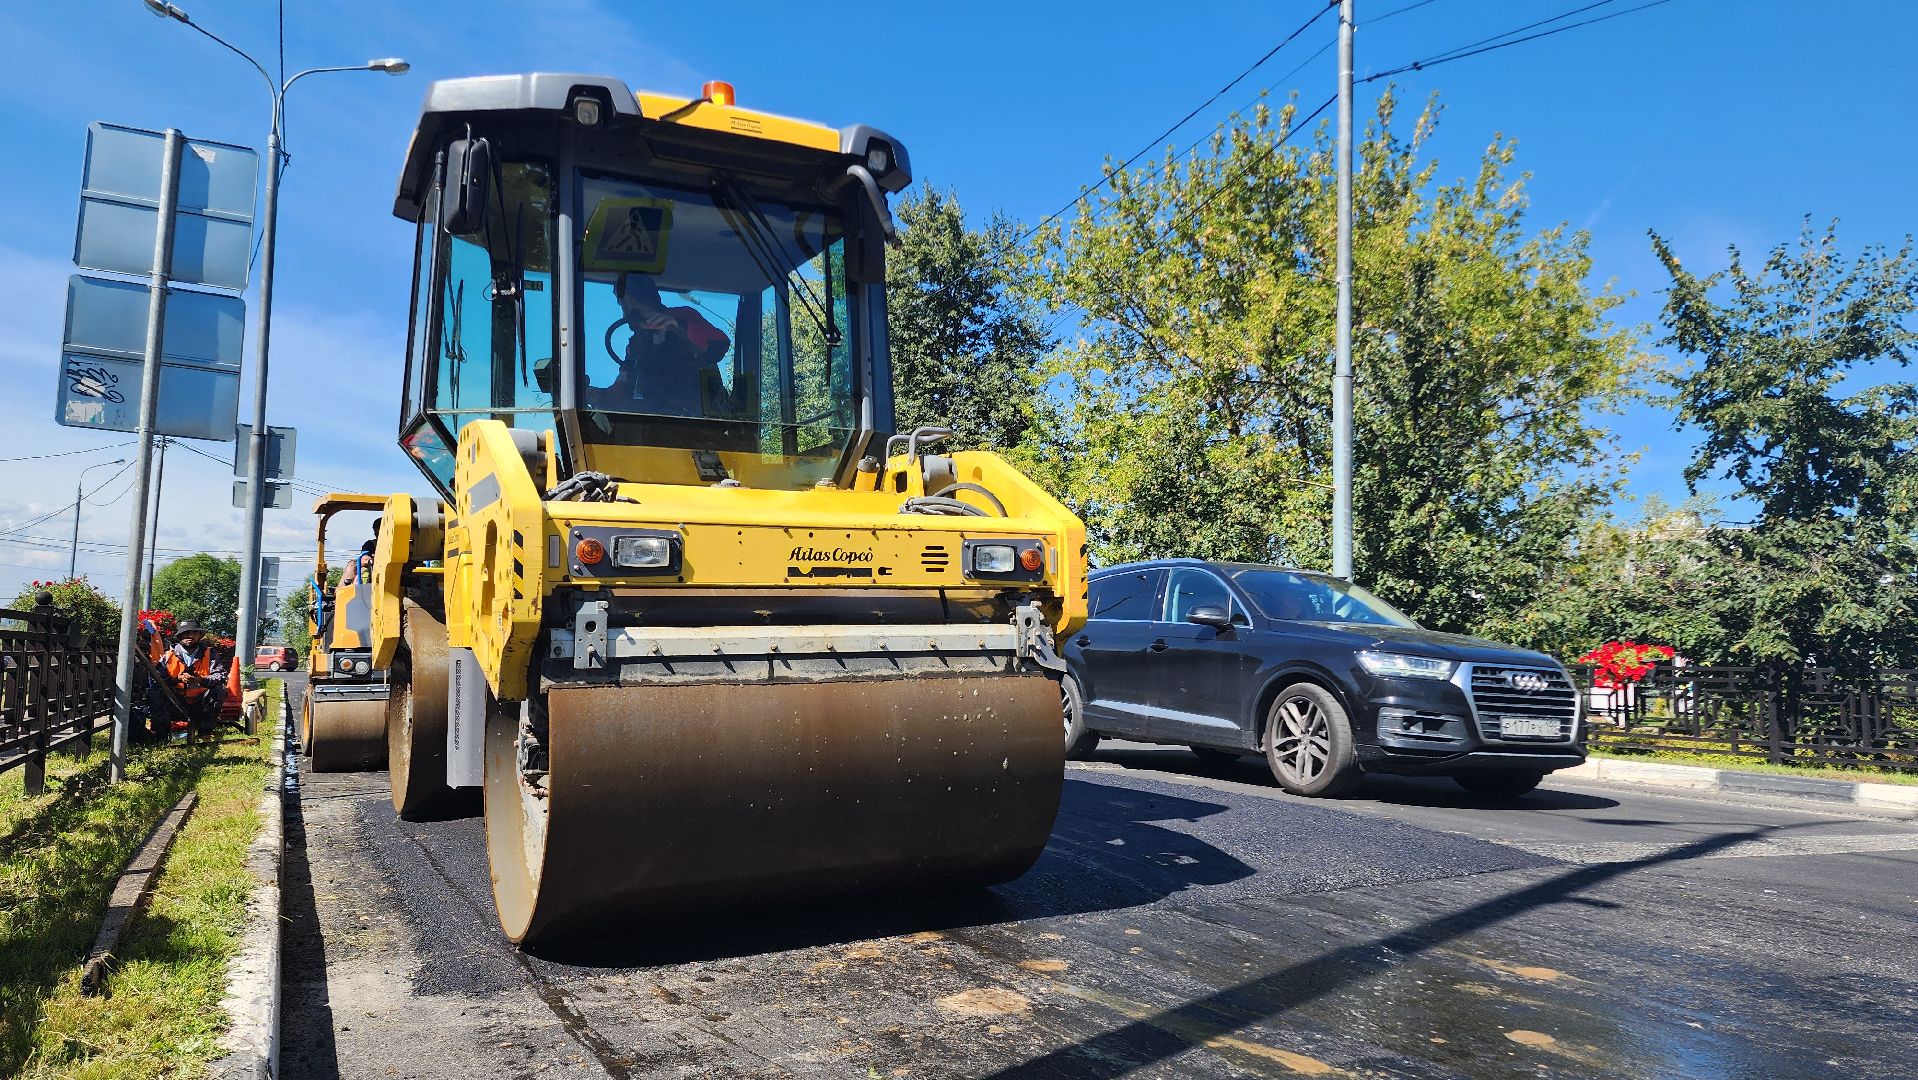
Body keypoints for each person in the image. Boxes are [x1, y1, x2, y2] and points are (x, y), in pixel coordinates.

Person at [598, 271, 733, 418]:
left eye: (622, 302)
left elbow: (719, 345)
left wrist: (677, 326)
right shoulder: (635, 346)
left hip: (698, 423)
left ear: (630, 300)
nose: (623, 313)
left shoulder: (683, 317)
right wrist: (594, 395)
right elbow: (621, 388)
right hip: (651, 426)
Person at [161, 619, 222, 733]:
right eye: (186, 632)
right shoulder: (168, 656)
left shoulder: (211, 653)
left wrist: (201, 680)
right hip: (176, 702)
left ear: (199, 635)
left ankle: (206, 731)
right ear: (179, 636)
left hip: (202, 703)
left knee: (219, 688)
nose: (190, 635)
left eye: (194, 632)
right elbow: (158, 679)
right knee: (155, 692)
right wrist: (176, 679)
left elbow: (219, 676)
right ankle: (161, 734)